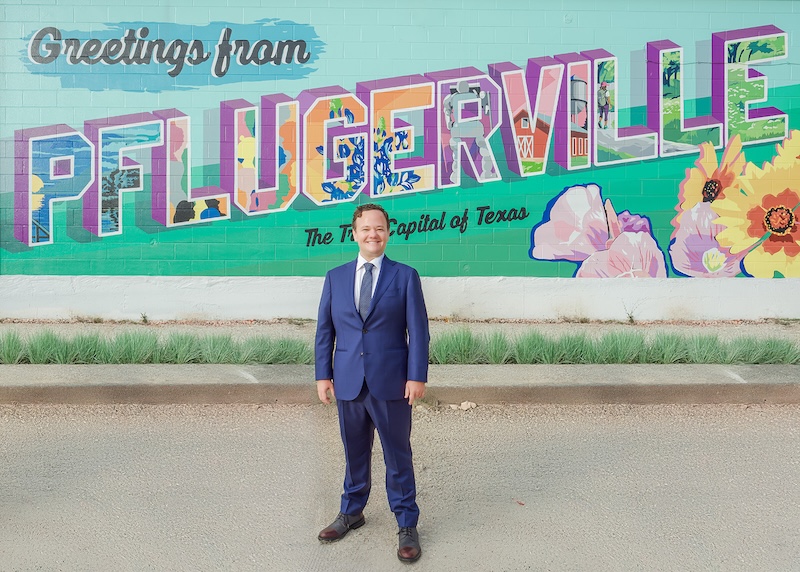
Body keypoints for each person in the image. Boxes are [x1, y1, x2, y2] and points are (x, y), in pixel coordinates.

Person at [315, 203, 430, 564]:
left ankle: (407, 523)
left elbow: (419, 331)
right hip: (348, 380)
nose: (373, 235)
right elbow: (324, 331)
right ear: (354, 233)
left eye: (379, 228)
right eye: (366, 229)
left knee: (398, 455)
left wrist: (417, 376)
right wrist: (323, 375)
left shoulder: (405, 276)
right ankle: (352, 511)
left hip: (392, 382)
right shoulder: (335, 277)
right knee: (354, 452)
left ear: (388, 232)